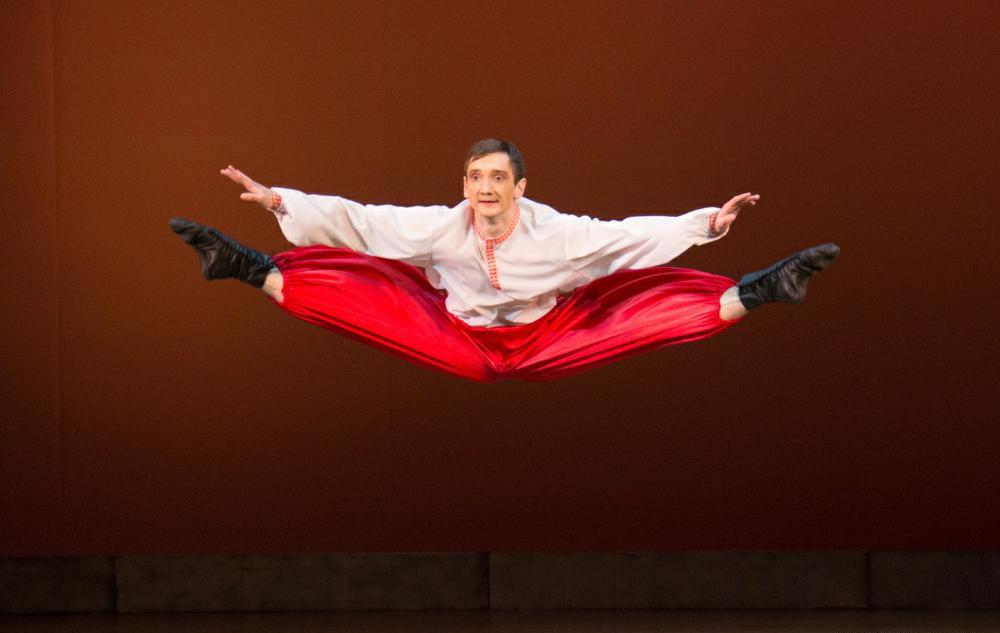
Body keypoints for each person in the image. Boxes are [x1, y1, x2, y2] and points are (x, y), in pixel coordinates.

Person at [170, 138, 838, 382]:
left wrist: (705, 223)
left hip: (549, 333)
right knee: (372, 294)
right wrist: (278, 200)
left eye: (497, 178)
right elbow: (364, 222)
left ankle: (764, 287)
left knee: (637, 312)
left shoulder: (559, 235)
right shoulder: (442, 227)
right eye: (474, 177)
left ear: (520, 186)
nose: (484, 188)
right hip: (458, 333)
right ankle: (244, 264)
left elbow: (625, 238)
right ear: (464, 185)